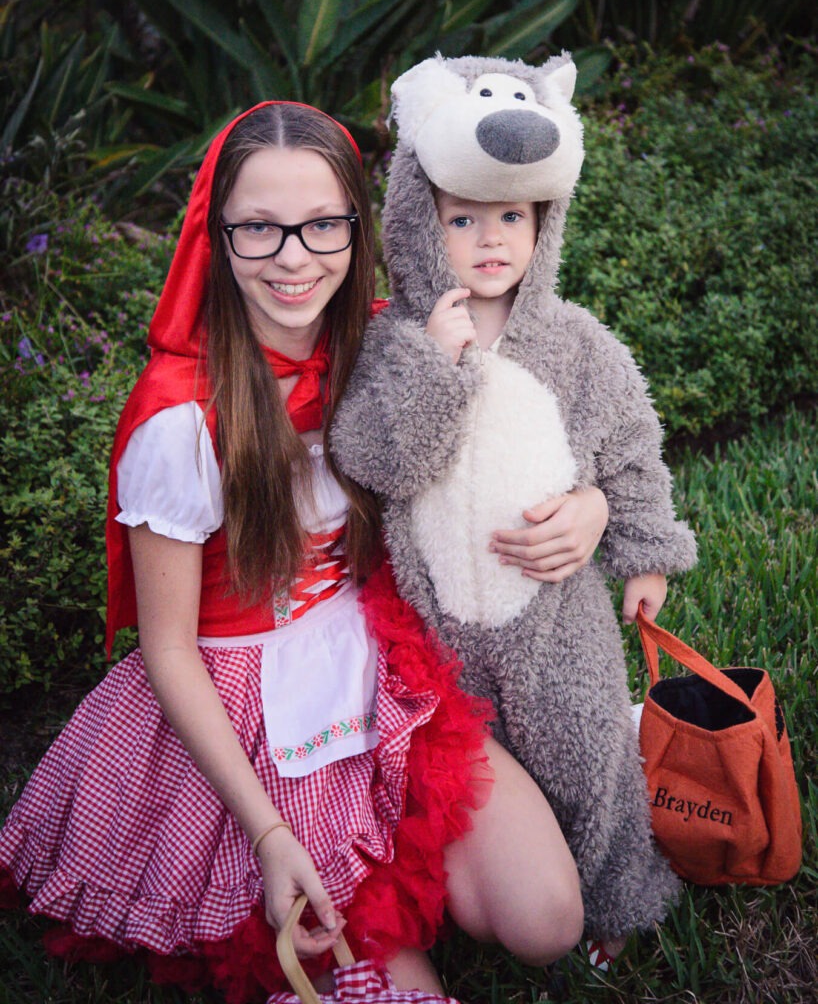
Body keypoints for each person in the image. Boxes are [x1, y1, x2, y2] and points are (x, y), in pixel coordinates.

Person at [0, 100, 603, 1003]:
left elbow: (550, 434)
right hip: (246, 705)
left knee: (547, 922)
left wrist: (590, 509)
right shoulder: (180, 416)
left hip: (379, 659)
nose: (293, 257)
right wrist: (269, 832)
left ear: (361, 228)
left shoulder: (397, 345)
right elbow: (165, 649)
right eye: (260, 228)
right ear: (217, 234)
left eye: (322, 224)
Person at [331, 53, 698, 964]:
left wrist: (641, 550)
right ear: (421, 225)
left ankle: (619, 894)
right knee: (481, 758)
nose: (491, 239)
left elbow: (630, 452)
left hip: (554, 613)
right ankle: (489, 873)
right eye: (463, 219)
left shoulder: (578, 347)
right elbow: (375, 459)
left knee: (584, 752)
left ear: (544, 223)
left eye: (511, 217)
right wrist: (434, 363)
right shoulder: (393, 343)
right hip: (439, 624)